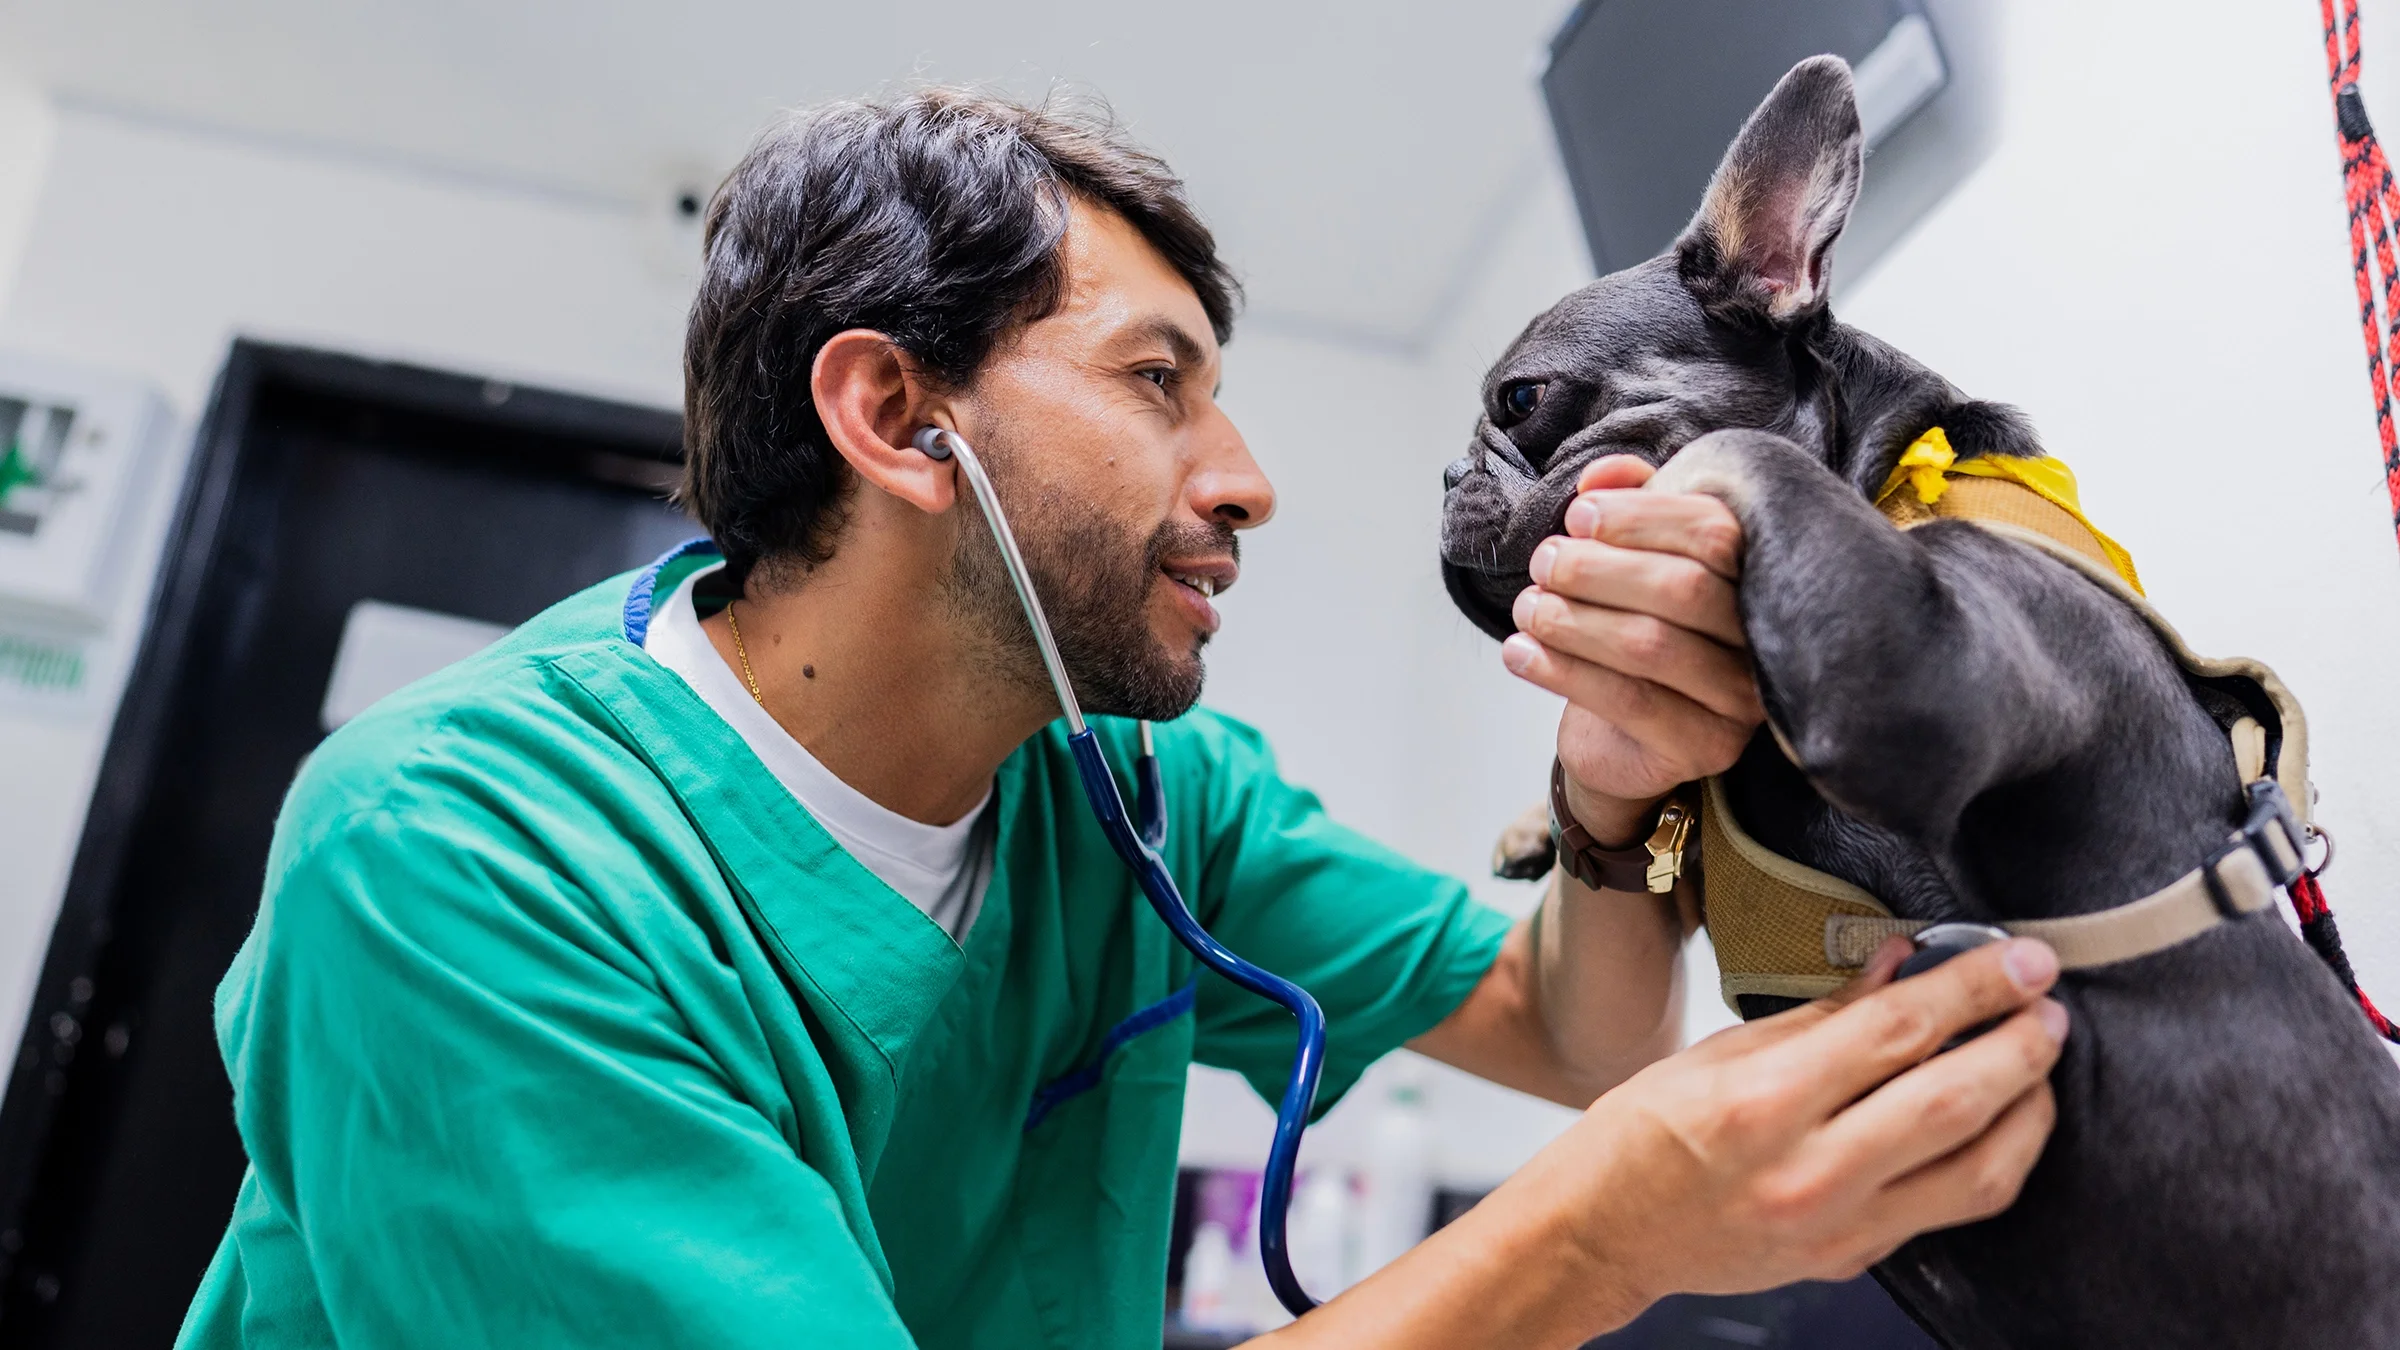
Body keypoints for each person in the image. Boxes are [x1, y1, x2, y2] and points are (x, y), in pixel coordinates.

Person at [174, 89, 2066, 1350]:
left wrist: (1612, 783)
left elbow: (1578, 1032)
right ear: (897, 417)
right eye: (1158, 381)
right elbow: (1611, 1140)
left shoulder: (1134, 798)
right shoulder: (459, 860)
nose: (1243, 478)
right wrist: (1610, 1228)